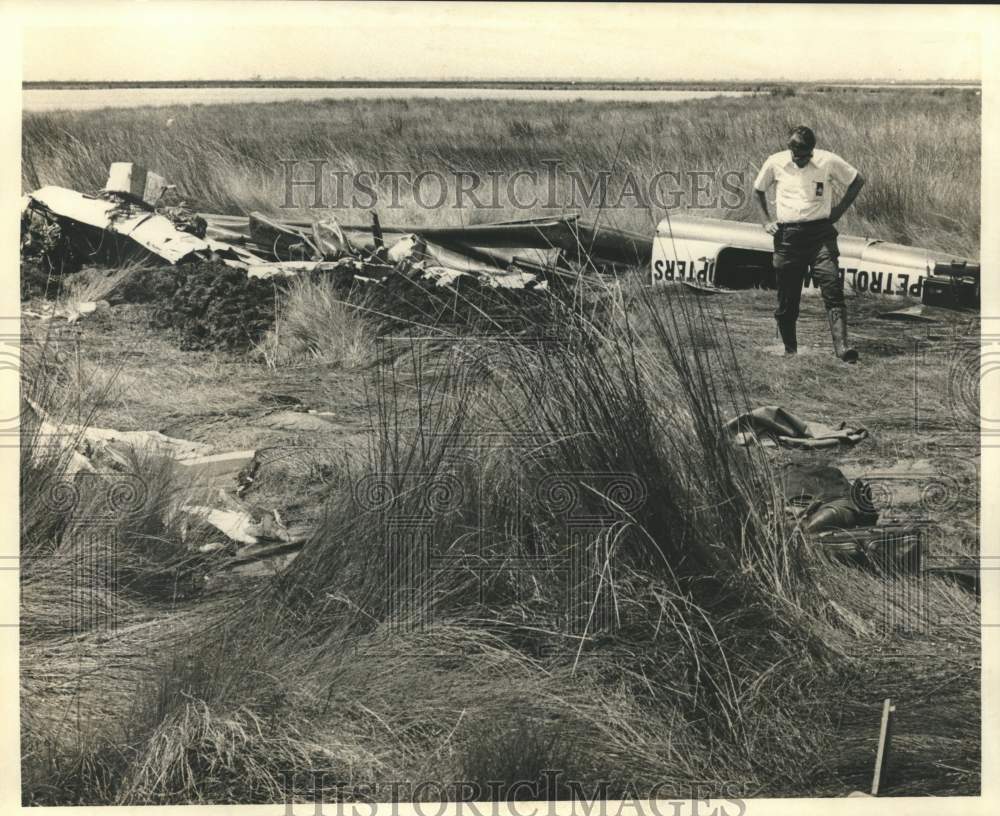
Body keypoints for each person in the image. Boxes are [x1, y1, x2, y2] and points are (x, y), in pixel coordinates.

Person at [753, 125, 866, 361]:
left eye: (805, 156)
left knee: (832, 287)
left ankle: (843, 349)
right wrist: (766, 222)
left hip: (820, 235)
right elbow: (758, 190)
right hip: (788, 238)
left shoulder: (828, 161)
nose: (800, 160)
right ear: (790, 150)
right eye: (796, 156)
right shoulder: (775, 162)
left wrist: (839, 211)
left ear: (812, 152)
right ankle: (790, 349)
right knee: (787, 298)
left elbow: (857, 180)